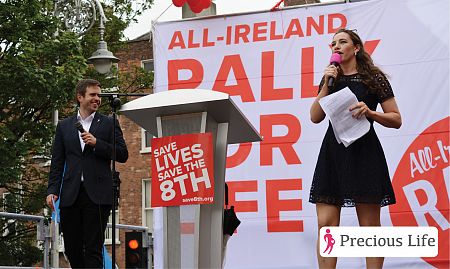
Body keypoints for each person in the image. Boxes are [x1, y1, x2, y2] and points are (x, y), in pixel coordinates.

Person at [309, 29, 402, 269]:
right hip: (333, 154)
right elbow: (315, 117)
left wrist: (370, 113)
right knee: (326, 225)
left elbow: (396, 119)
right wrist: (325, 85)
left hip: (365, 154)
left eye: (342, 42)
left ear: (356, 48)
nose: (336, 47)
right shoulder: (330, 78)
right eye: (333, 44)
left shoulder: (374, 78)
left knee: (370, 228)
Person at [46, 79, 128, 268]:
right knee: (72, 249)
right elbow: (57, 161)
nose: (97, 99)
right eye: (93, 95)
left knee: (93, 249)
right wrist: (52, 190)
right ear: (80, 97)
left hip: (98, 195)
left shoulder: (108, 123)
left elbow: (123, 154)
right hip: (71, 195)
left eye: (99, 95)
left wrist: (97, 143)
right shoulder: (64, 126)